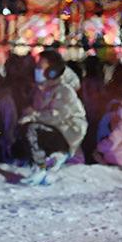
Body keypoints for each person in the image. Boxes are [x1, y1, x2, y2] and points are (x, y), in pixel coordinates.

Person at [17, 50, 87, 184]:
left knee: (32, 129)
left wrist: (33, 115)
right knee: (24, 128)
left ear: (52, 70)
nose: (37, 69)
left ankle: (42, 167)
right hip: (55, 130)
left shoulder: (63, 90)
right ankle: (45, 161)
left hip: (68, 133)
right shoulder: (40, 90)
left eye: (41, 65)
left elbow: (56, 116)